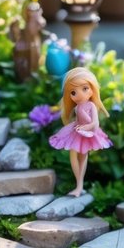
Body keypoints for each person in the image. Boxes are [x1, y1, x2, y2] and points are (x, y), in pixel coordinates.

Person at [49, 67, 111, 196]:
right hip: (75, 132)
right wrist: (78, 123)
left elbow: (94, 123)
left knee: (83, 157)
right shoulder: (77, 107)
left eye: (85, 89)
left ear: (92, 90)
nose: (79, 95)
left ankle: (79, 186)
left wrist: (84, 127)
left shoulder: (91, 106)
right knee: (73, 156)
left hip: (87, 133)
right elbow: (78, 119)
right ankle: (79, 184)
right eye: (73, 92)